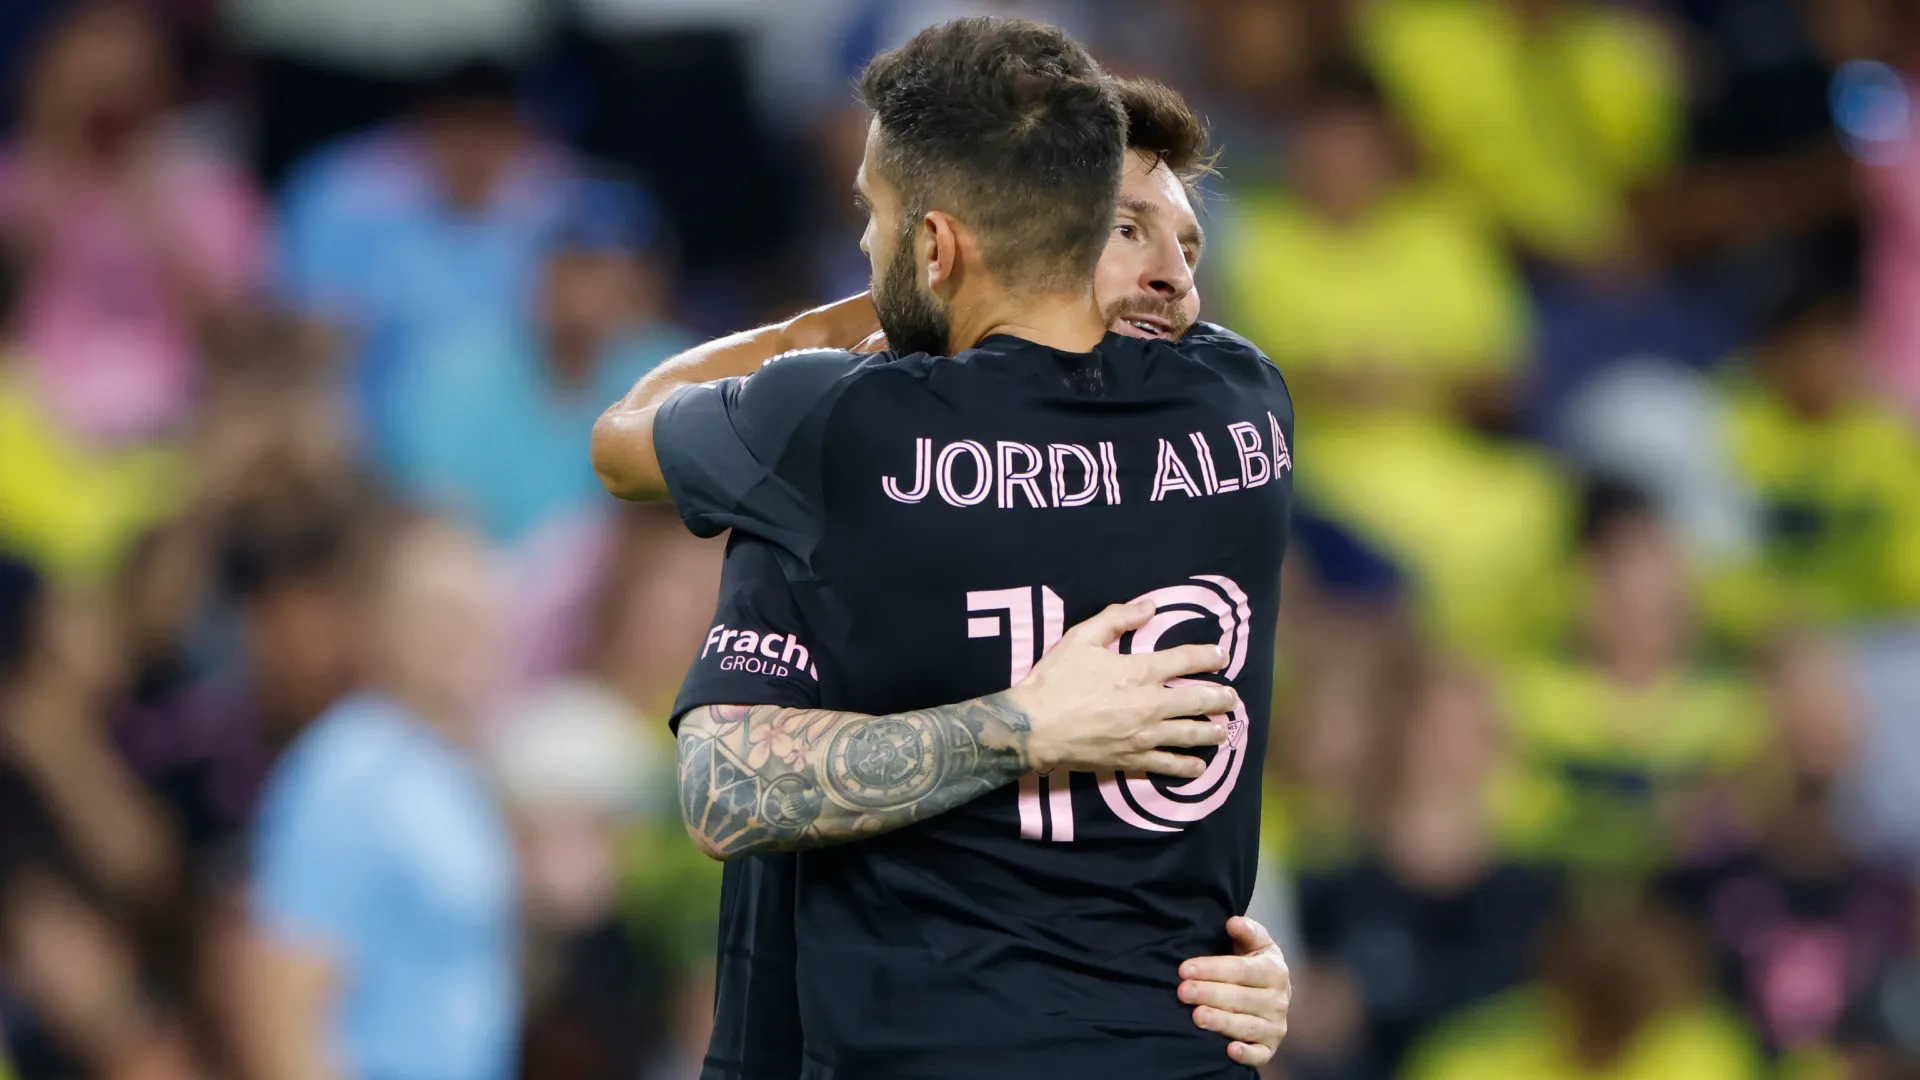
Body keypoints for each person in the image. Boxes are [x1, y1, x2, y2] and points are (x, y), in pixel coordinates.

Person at [594, 20, 1293, 1078]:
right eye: (1130, 230)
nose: (1167, 278)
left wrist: (1020, 727)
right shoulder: (1244, 407)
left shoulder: (828, 431)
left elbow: (726, 788)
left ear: (935, 244)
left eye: (873, 217)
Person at [234, 517, 518, 1080]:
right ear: (381, 624)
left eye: (476, 612)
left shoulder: (453, 769)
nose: (462, 634)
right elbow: (281, 1012)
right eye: (439, 613)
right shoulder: (347, 775)